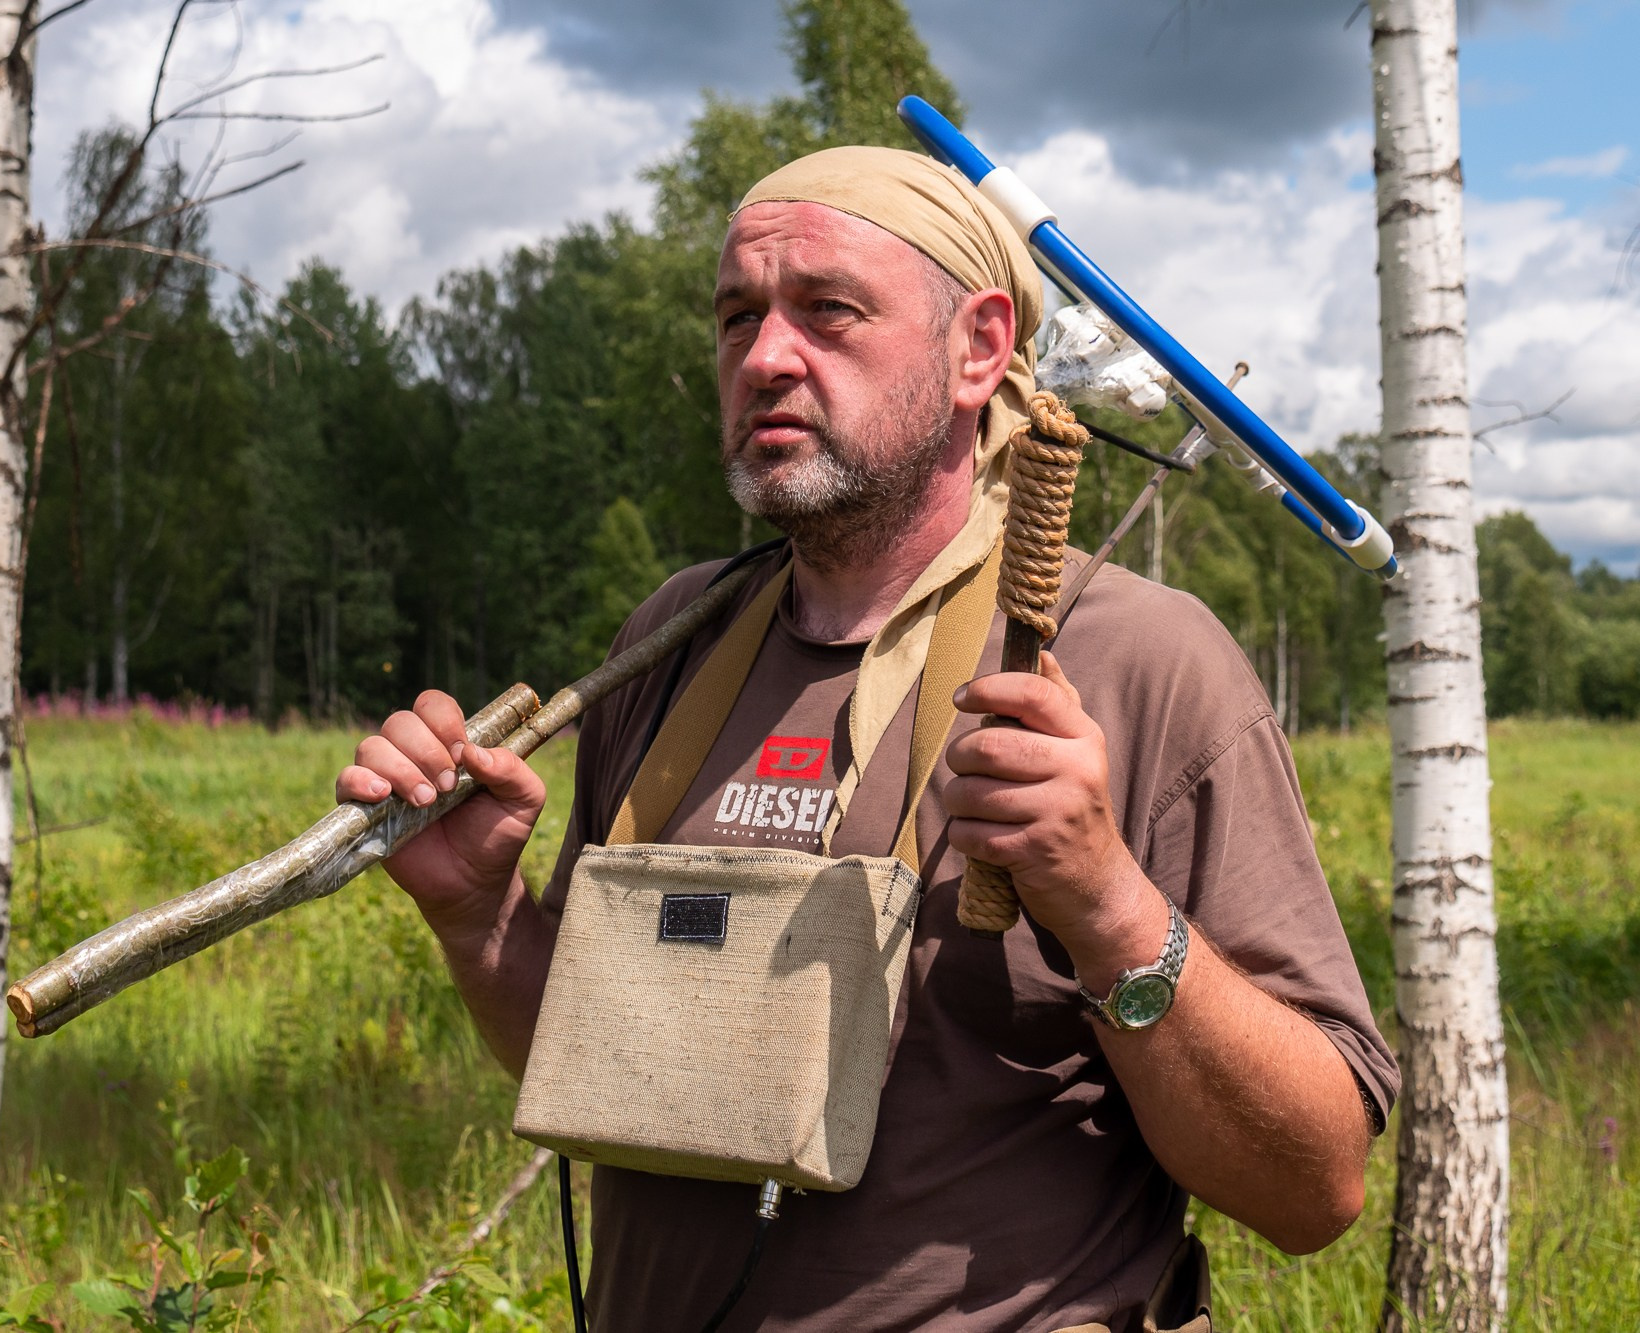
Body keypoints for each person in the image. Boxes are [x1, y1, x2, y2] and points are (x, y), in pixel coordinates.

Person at [335, 146, 1398, 1332]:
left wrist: (1104, 903)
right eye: (737, 316)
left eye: (827, 312)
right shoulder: (674, 643)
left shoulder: (1138, 661)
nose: (765, 357)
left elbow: (1314, 1185)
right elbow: (613, 1065)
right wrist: (480, 921)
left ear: (977, 348)